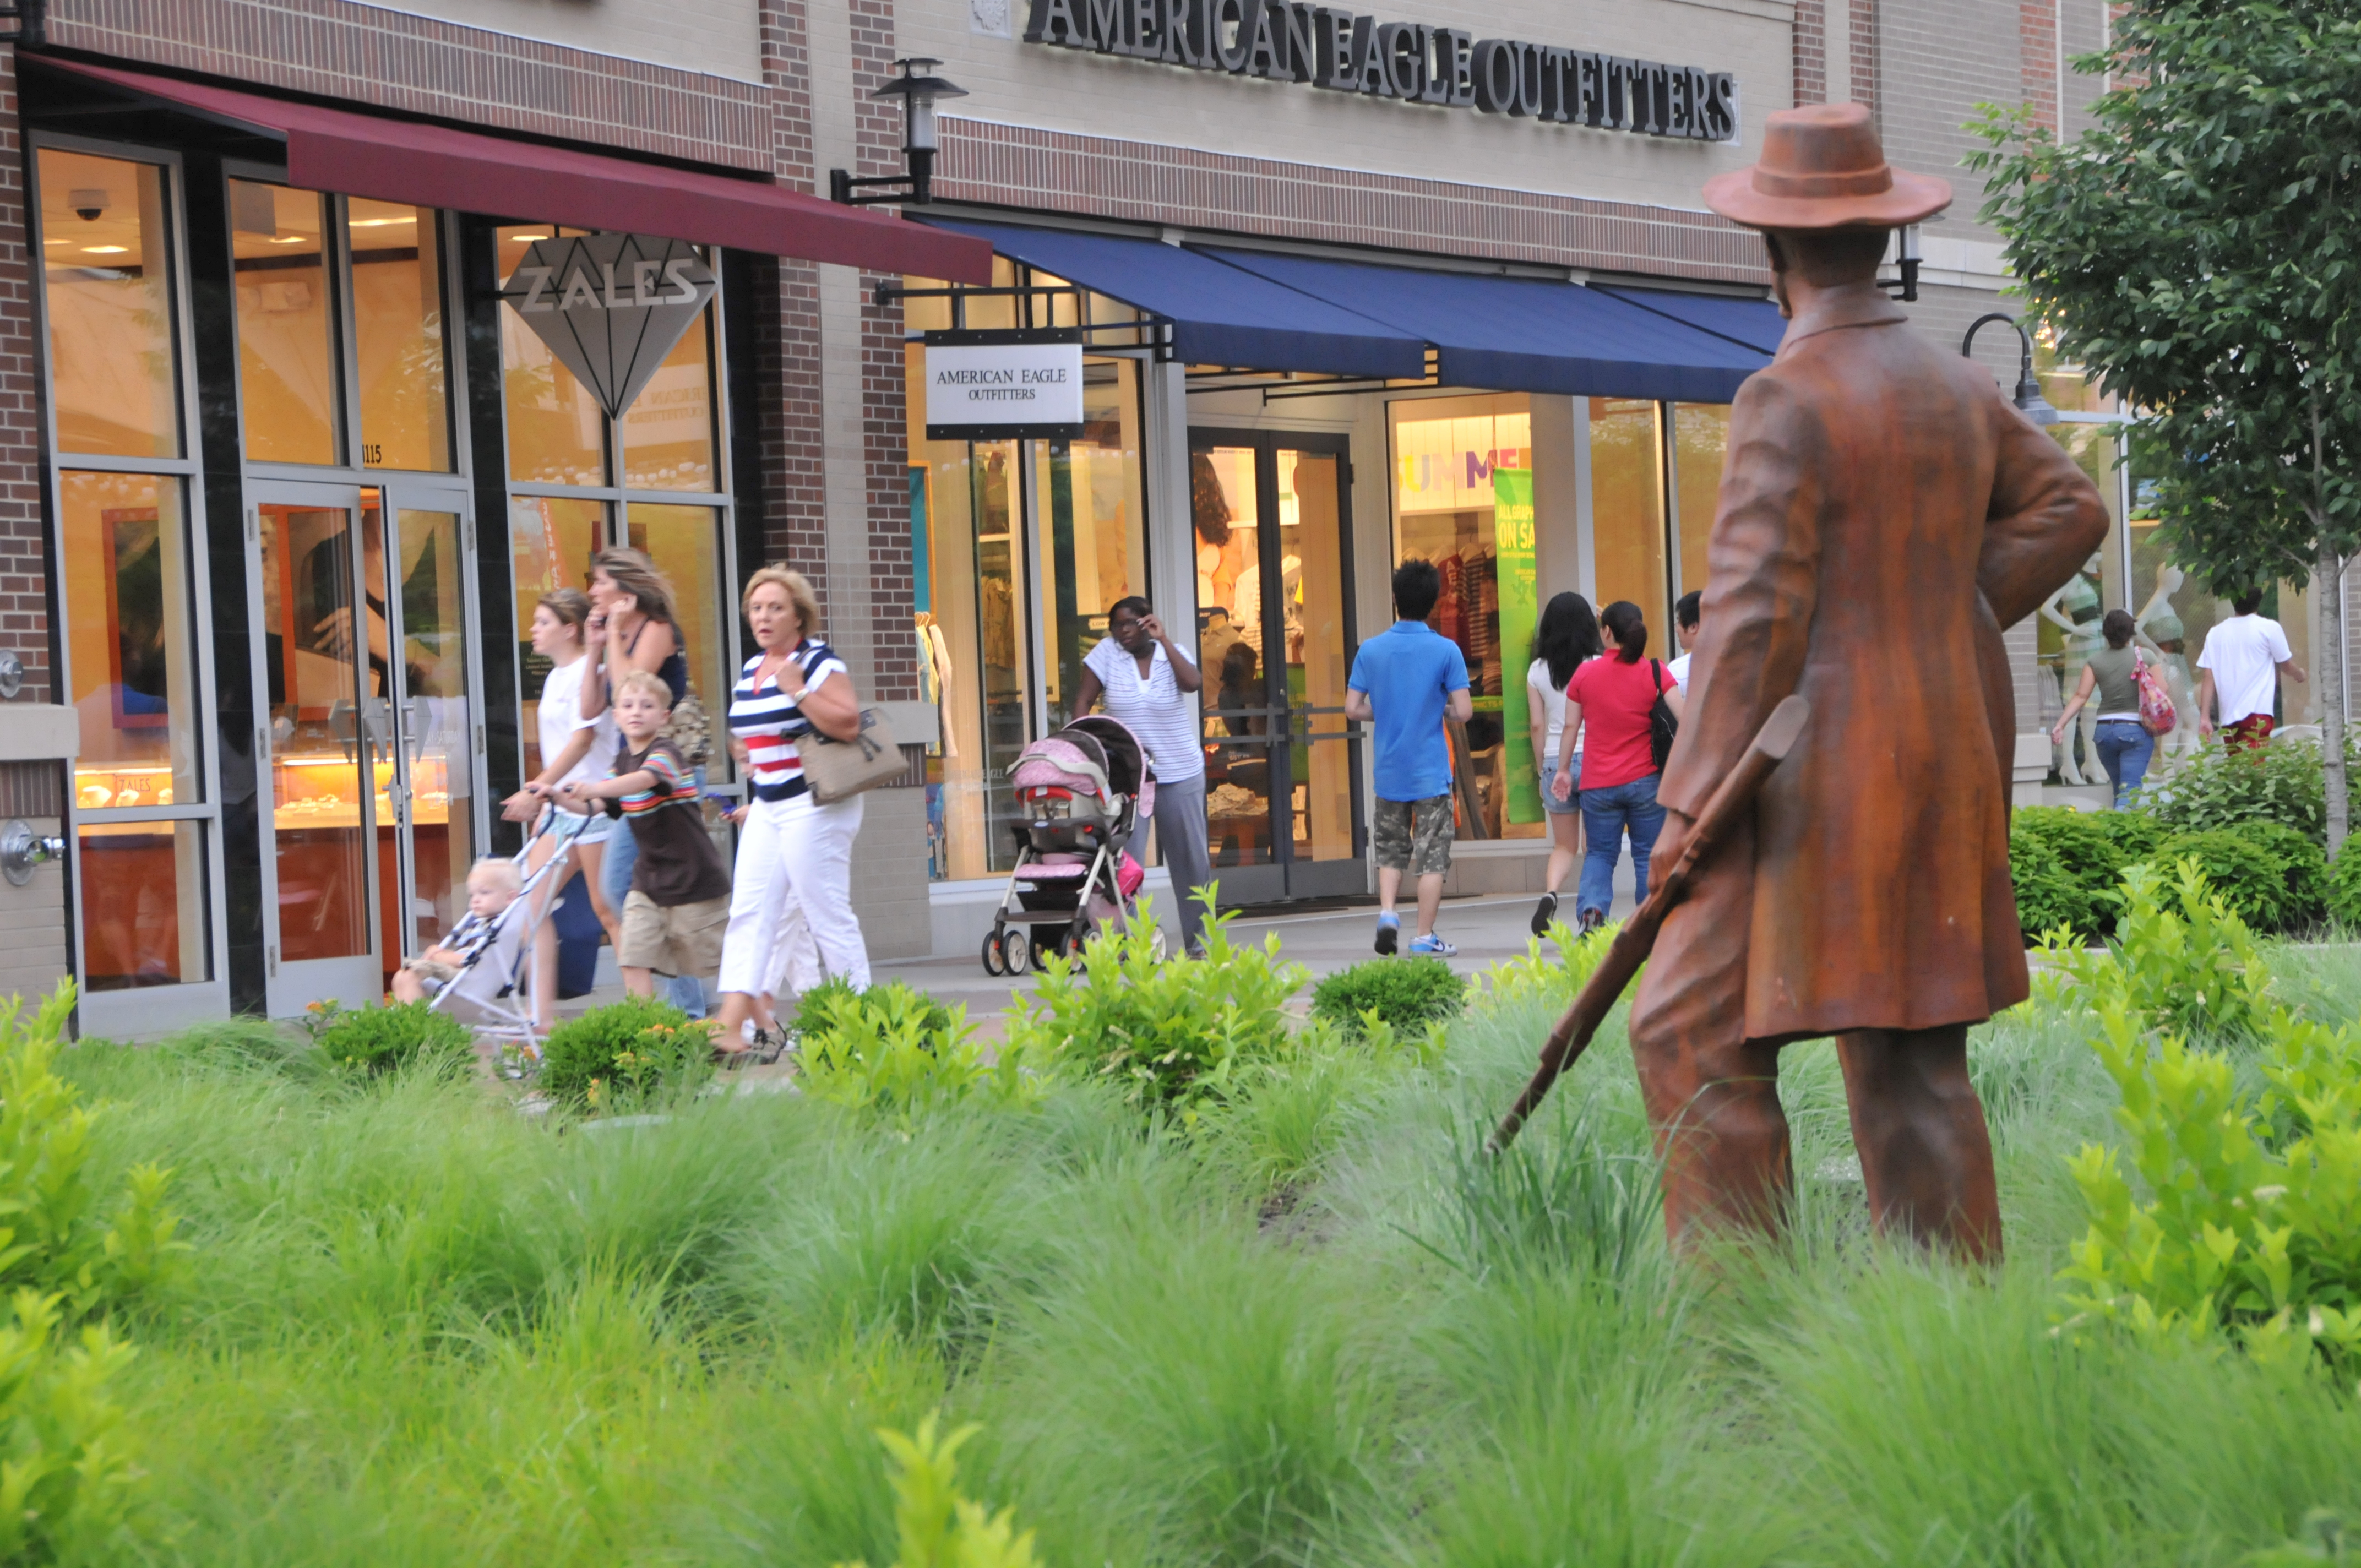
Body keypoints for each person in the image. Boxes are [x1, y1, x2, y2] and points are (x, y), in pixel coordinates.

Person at [1630, 103, 2108, 1261]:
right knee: (1911, 1056)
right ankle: (1954, 1330)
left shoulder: (1782, 397)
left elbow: (1748, 630)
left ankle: (1738, 1326)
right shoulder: (1950, 384)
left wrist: (1687, 807)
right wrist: (1931, 611)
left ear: (1771, 255)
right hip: (1938, 759)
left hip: (1807, 782)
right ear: (1882, 245)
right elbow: (2072, 505)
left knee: (1682, 1024)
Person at [710, 567, 869, 1058]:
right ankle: (728, 1030)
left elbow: (847, 722)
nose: (763, 616)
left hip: (816, 804)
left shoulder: (817, 661)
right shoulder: (750, 668)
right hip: (769, 803)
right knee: (749, 913)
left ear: (798, 615)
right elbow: (760, 733)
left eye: (775, 607)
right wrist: (747, 753)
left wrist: (798, 689)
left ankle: (864, 1023)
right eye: (756, 608)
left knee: (826, 915)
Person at [554, 670, 731, 1002]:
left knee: (707, 961)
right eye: (628, 705)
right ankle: (645, 1024)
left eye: (647, 706)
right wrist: (556, 797)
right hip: (648, 880)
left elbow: (644, 780)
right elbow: (597, 806)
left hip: (693, 878)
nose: (636, 712)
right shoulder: (620, 761)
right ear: (616, 716)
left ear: (664, 717)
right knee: (634, 954)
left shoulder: (667, 753)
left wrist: (595, 787)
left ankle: (734, 1018)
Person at [580, 547, 706, 1014]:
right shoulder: (618, 634)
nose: (592, 590)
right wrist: (596, 642)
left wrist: (613, 633)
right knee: (625, 890)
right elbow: (593, 708)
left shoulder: (656, 630)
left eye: (599, 582)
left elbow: (629, 687)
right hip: (632, 771)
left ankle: (685, 1010)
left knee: (651, 889)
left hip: (666, 772)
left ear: (625, 589)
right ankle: (677, 1005)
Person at [497, 588, 622, 1030]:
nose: (533, 629)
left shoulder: (589, 674)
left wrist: (538, 788)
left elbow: (583, 739)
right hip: (559, 806)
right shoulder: (554, 678)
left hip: (592, 805)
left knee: (608, 910)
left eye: (543, 622)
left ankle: (647, 1014)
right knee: (531, 903)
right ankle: (541, 1016)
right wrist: (545, 795)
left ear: (571, 629)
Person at [1072, 595, 1215, 955]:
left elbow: (1193, 683)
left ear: (1147, 622)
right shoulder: (1106, 654)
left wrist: (1164, 640)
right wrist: (1082, 743)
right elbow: (1083, 702)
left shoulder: (1172, 652)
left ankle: (1200, 945)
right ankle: (1128, 946)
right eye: (1117, 625)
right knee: (1124, 863)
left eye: (1130, 623)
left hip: (1180, 771)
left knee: (1191, 862)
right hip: (1129, 777)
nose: (1123, 631)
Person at [1345, 559, 1472, 957]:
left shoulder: (1371, 650)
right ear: (1434, 602)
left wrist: (1385, 710)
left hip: (1389, 771)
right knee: (1432, 856)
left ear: (1395, 598)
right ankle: (1423, 937)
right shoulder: (1446, 650)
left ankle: (1387, 913)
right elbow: (1464, 711)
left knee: (1390, 849)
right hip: (1431, 772)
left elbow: (1353, 708)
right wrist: (1440, 711)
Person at [1551, 601, 1684, 935]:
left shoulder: (1585, 673)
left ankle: (1593, 914)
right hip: (1646, 783)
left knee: (1600, 855)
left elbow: (1571, 728)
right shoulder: (1655, 672)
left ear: (1607, 632)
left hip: (1599, 784)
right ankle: (1649, 922)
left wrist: (1563, 770)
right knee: (1647, 856)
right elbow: (1686, 719)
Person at [1525, 592, 1603, 935]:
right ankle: (1590, 912)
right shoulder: (1597, 664)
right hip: (1596, 758)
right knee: (1595, 846)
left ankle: (1551, 893)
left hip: (1557, 760)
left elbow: (1537, 725)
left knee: (1564, 845)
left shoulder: (1537, 670)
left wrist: (1544, 765)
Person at [2052, 608, 2159, 808]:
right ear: (2131, 632)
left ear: (2106, 633)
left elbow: (2081, 696)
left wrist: (2060, 724)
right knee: (2130, 792)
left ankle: (2121, 835)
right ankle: (2119, 830)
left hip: (2103, 733)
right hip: (2134, 730)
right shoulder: (2145, 656)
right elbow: (2162, 690)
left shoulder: (2095, 661)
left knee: (2120, 791)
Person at [390, 858, 521, 1005]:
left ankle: (414, 1023)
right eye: (472, 895)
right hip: (461, 977)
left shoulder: (499, 927)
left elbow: (470, 958)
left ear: (510, 897)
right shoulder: (481, 923)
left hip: (469, 983)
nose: (475, 900)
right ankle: (407, 1018)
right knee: (401, 976)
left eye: (484, 893)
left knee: (409, 977)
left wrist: (441, 957)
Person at [2196, 589, 2306, 749]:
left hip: (2229, 717)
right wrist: (2299, 674)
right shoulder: (2269, 628)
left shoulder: (2215, 634)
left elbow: (2208, 676)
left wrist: (2204, 717)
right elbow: (2286, 665)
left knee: (2238, 768)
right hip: (2258, 712)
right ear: (2258, 602)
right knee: (2254, 769)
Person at [1666, 590, 1701, 686]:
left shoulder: (1677, 671)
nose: (1677, 629)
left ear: (1693, 627)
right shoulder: (1737, 663)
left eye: (1679, 622)